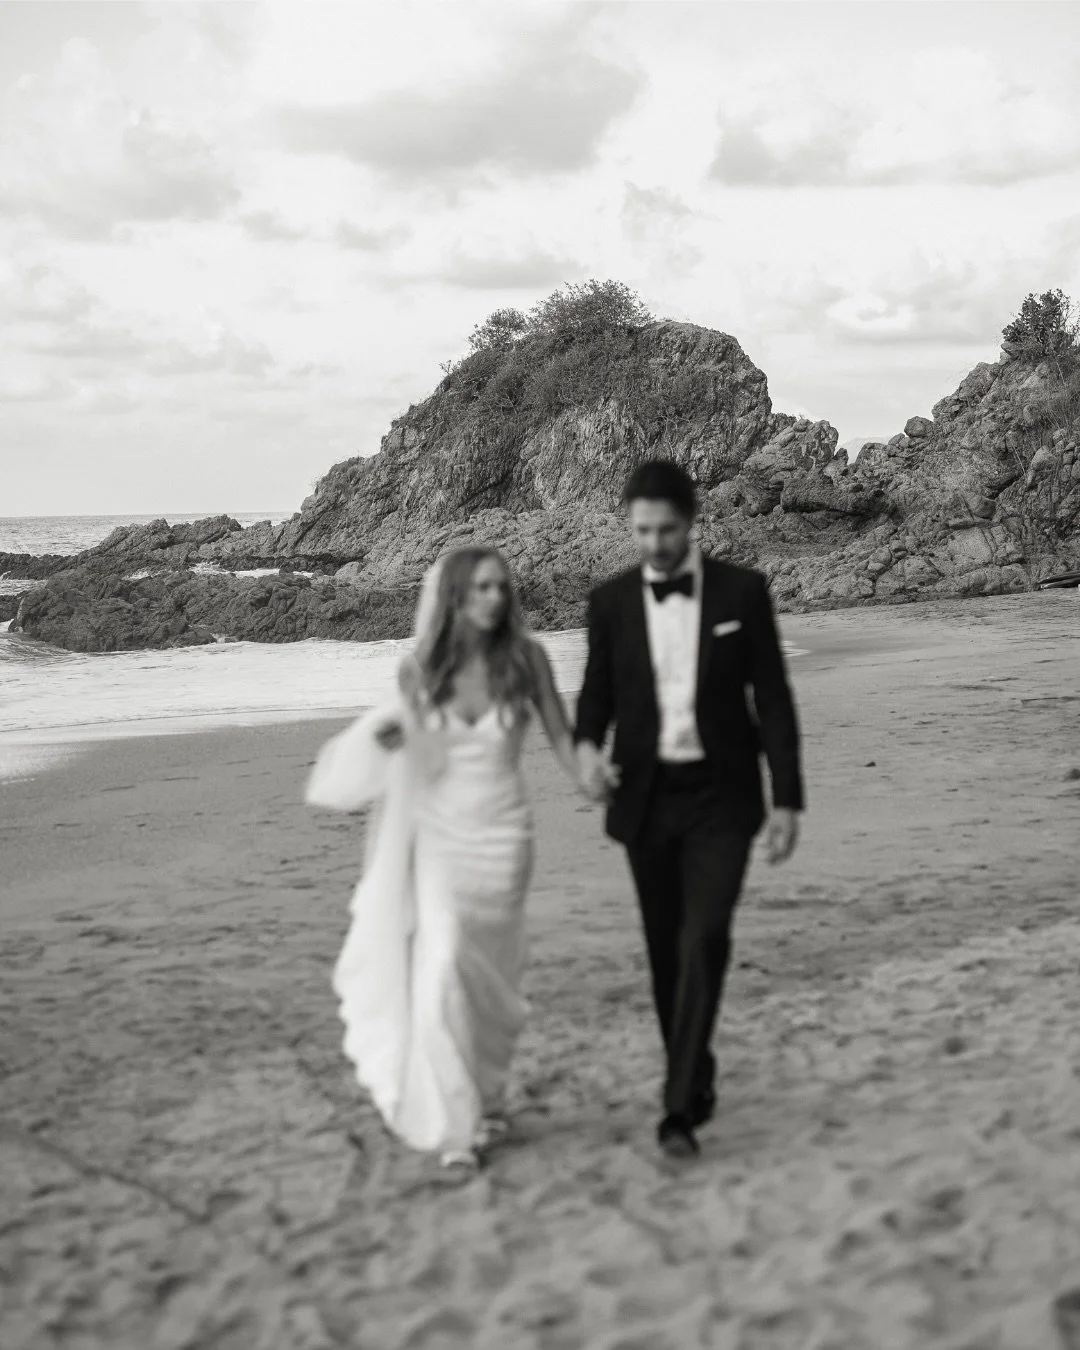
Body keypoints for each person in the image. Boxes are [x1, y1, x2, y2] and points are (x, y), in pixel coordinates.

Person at [305, 547, 581, 1178]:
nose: (496, 597)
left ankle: (487, 1096)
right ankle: (459, 1128)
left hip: (504, 836)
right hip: (441, 839)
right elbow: (428, 763)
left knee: (492, 980)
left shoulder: (528, 659)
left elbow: (563, 740)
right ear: (454, 596)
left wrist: (594, 778)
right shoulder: (419, 670)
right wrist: (396, 742)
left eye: (502, 586)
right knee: (446, 962)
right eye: (482, 587)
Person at [574, 460, 804, 1160]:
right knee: (665, 952)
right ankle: (694, 1074)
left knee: (705, 937)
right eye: (642, 531)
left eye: (666, 530)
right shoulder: (610, 602)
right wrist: (586, 752)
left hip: (722, 797)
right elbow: (596, 697)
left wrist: (787, 799)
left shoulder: (743, 592)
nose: (654, 543)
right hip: (645, 798)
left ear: (691, 523)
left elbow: (773, 699)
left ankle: (676, 1112)